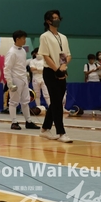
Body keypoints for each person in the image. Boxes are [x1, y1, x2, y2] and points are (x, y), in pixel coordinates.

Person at [38, 10, 73, 143]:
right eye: (54, 18)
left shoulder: (63, 37)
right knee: (57, 102)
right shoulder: (44, 36)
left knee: (57, 101)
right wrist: (56, 70)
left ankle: (45, 129)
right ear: (48, 21)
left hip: (62, 71)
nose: (57, 19)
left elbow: (67, 55)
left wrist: (63, 67)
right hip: (50, 72)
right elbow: (45, 56)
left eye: (58, 17)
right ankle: (61, 132)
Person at [4, 31, 39, 130]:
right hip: (15, 79)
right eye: (23, 38)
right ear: (17, 39)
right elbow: (7, 68)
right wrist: (10, 83)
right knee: (13, 102)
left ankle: (28, 121)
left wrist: (26, 74)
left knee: (25, 101)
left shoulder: (23, 50)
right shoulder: (11, 52)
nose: (24, 40)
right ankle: (14, 122)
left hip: (23, 79)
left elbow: (22, 65)